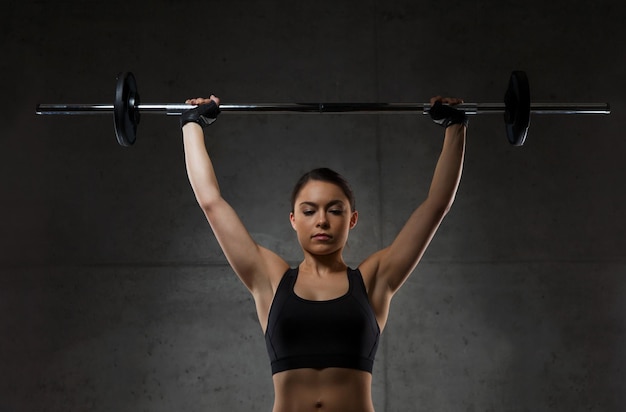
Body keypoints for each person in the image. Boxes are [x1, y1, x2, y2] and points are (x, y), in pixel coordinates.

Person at [180, 95, 467, 412]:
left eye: (335, 210)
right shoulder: (270, 278)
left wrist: (456, 125)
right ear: (293, 219)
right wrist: (191, 123)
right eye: (308, 211)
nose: (321, 221)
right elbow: (211, 202)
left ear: (352, 219)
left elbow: (436, 206)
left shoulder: (373, 280)